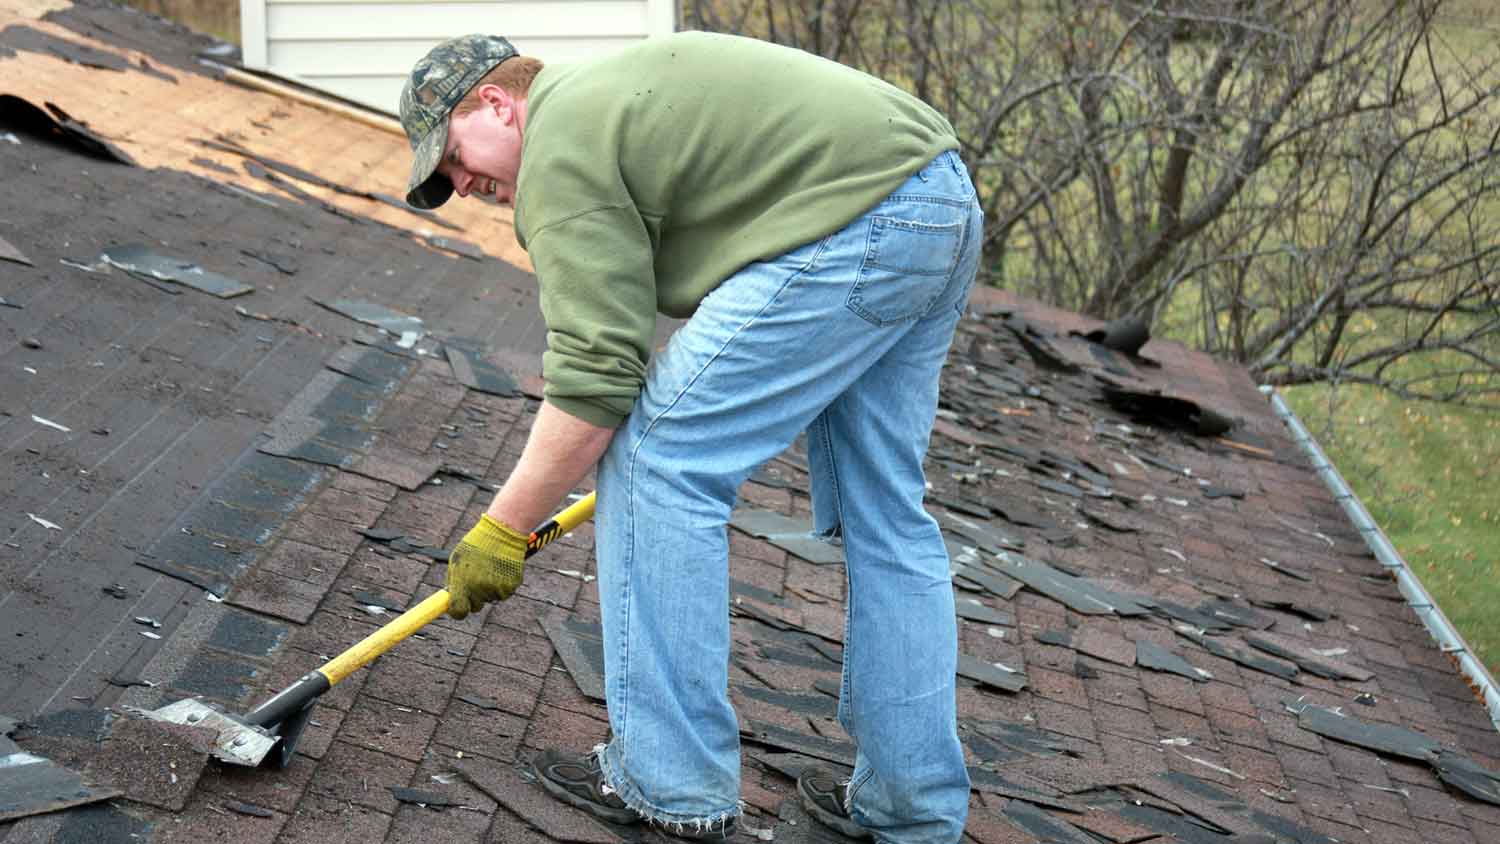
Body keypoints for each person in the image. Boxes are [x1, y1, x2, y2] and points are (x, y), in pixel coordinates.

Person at [399, 31, 980, 843]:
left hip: (860, 221)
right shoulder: (614, 100)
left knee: (656, 459)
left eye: (453, 158)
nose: (460, 186)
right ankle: (912, 809)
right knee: (887, 513)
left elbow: (597, 380)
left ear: (497, 102)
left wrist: (502, 529)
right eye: (444, 182)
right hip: (938, 197)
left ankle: (667, 781)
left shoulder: (562, 140)